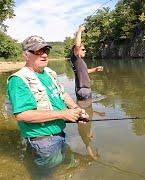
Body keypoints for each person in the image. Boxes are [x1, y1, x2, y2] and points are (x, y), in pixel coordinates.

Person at [6, 35, 88, 177]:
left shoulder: (49, 73)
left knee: (62, 165)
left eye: (46, 50)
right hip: (43, 141)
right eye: (38, 51)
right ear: (26, 55)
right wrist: (63, 114)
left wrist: (76, 110)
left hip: (59, 132)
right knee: (45, 175)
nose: (44, 54)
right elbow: (22, 115)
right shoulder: (18, 80)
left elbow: (63, 94)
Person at [70, 25, 103, 100]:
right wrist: (80, 30)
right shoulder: (76, 58)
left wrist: (95, 69)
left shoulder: (80, 61)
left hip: (85, 90)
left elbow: (86, 71)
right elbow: (77, 45)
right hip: (83, 90)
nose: (85, 51)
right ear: (77, 50)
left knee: (88, 110)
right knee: (85, 109)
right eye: (83, 49)